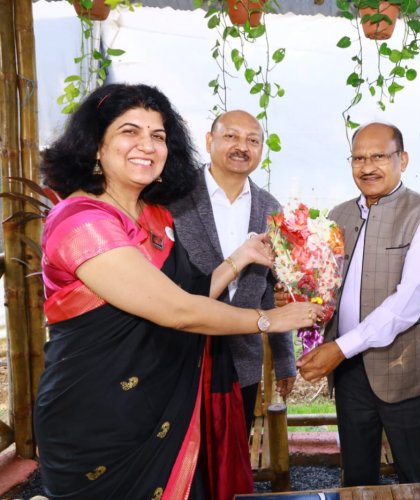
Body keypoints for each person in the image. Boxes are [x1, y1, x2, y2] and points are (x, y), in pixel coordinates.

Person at [34, 83, 322, 500]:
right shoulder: (81, 221)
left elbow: (192, 289)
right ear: (96, 146)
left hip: (165, 404)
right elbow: (177, 309)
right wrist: (268, 320)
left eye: (158, 135)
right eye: (129, 132)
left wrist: (240, 258)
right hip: (100, 411)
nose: (146, 146)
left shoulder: (155, 215)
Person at [295, 122, 420, 486]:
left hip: (403, 368)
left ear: (403, 159)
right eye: (358, 158)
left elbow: (407, 305)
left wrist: (338, 349)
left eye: (379, 156)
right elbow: (326, 285)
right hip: (349, 371)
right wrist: (297, 295)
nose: (367, 167)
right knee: (357, 473)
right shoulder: (338, 214)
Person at [170, 110, 295, 434]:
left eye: (253, 140)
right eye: (231, 137)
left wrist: (284, 361)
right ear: (210, 141)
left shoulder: (270, 209)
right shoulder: (174, 198)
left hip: (243, 358)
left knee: (232, 456)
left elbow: (274, 288)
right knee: (180, 459)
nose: (242, 147)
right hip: (178, 355)